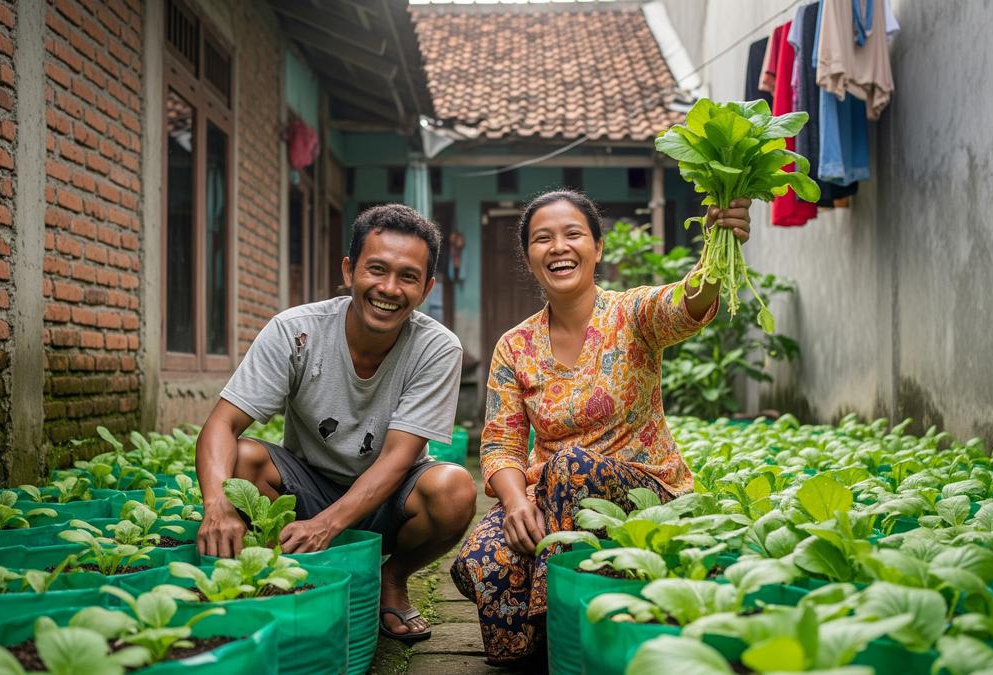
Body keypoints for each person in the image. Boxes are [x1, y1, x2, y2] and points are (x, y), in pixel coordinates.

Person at [449, 190, 752, 665]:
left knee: (570, 466)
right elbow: (501, 445)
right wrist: (513, 505)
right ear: (529, 258)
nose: (558, 247)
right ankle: (540, 637)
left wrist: (716, 251)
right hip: (552, 497)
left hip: (646, 493)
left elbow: (683, 305)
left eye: (573, 234)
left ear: (598, 248)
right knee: (483, 559)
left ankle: (563, 623)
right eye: (542, 239)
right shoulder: (515, 346)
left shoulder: (632, 314)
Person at [195, 204, 478, 643]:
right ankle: (290, 578)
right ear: (349, 270)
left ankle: (392, 579)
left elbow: (398, 458)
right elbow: (222, 425)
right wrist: (216, 505)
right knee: (243, 460)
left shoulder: (437, 348)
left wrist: (327, 525)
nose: (388, 288)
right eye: (376, 269)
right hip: (307, 484)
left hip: (391, 494)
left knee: (454, 490)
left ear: (426, 288)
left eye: (407, 276)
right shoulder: (296, 331)